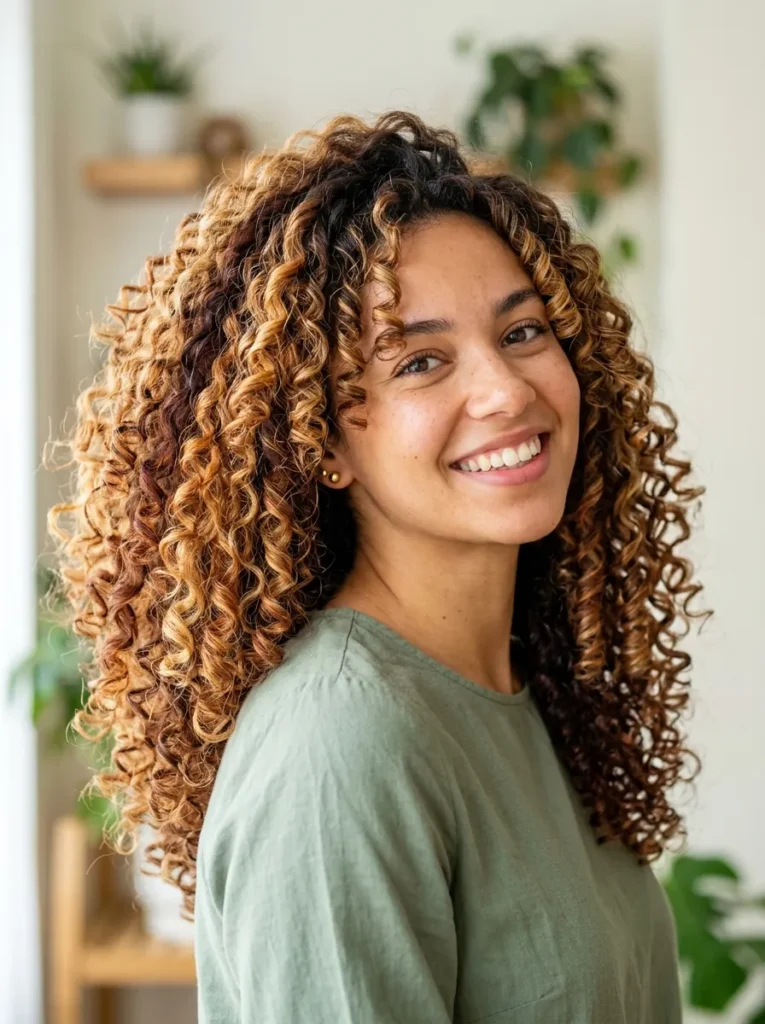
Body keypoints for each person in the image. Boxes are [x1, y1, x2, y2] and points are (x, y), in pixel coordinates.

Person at [47, 110, 711, 1023]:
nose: (507, 389)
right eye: (421, 361)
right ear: (320, 442)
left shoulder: (527, 688)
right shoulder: (344, 745)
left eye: (522, 333)